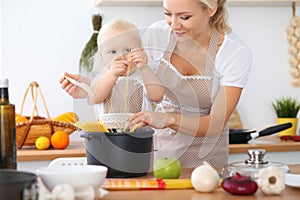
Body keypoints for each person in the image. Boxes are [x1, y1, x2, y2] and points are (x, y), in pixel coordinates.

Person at [127, 0, 252, 168]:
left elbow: (215, 124)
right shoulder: (157, 35)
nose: (174, 25)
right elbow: (145, 90)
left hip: (207, 156)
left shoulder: (233, 51)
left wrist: (169, 119)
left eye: (184, 17)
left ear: (211, 8)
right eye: (167, 14)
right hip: (160, 149)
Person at [59, 19, 164, 129]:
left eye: (128, 50)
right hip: (108, 137)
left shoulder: (144, 76)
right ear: (102, 57)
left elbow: (157, 96)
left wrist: (145, 68)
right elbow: (96, 98)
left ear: (141, 51)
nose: (120, 56)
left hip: (140, 137)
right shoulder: (102, 79)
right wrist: (112, 74)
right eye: (113, 52)